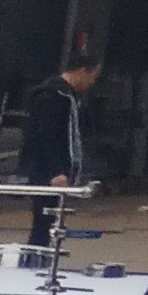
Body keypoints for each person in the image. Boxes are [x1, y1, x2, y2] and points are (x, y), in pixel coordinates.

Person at [19, 57, 100, 240]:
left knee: (49, 223)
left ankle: (39, 254)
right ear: (82, 72)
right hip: (48, 171)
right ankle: (35, 255)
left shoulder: (67, 96)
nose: (91, 82)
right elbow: (46, 136)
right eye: (92, 77)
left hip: (55, 168)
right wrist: (56, 171)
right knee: (43, 224)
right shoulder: (53, 97)